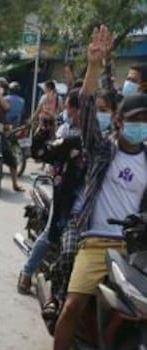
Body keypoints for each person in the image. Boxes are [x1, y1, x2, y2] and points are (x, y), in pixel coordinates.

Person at [36, 26, 147, 350]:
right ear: (119, 122)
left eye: (146, 120)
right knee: (72, 304)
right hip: (97, 241)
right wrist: (93, 66)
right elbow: (85, 110)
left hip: (134, 248)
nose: (141, 126)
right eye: (136, 119)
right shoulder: (104, 151)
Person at [42, 91, 119, 323]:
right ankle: (55, 296)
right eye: (98, 110)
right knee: (67, 255)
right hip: (80, 217)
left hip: (121, 229)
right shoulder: (99, 144)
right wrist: (44, 128)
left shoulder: (136, 151)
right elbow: (40, 152)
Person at [18, 90, 87, 295]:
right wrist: (44, 127)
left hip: (96, 208)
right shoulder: (71, 137)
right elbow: (39, 152)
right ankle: (27, 272)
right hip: (66, 197)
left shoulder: (110, 142)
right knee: (52, 233)